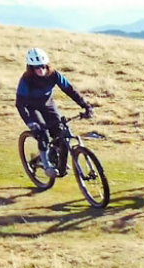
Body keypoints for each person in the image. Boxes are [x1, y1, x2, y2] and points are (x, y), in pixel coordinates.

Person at [15, 48, 94, 177]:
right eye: (36, 67)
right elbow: (19, 103)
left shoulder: (54, 75)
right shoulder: (26, 80)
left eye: (42, 66)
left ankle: (60, 165)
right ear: (30, 68)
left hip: (48, 106)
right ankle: (46, 165)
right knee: (43, 134)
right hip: (32, 108)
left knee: (62, 132)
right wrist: (30, 122)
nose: (40, 69)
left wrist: (85, 105)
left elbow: (69, 90)